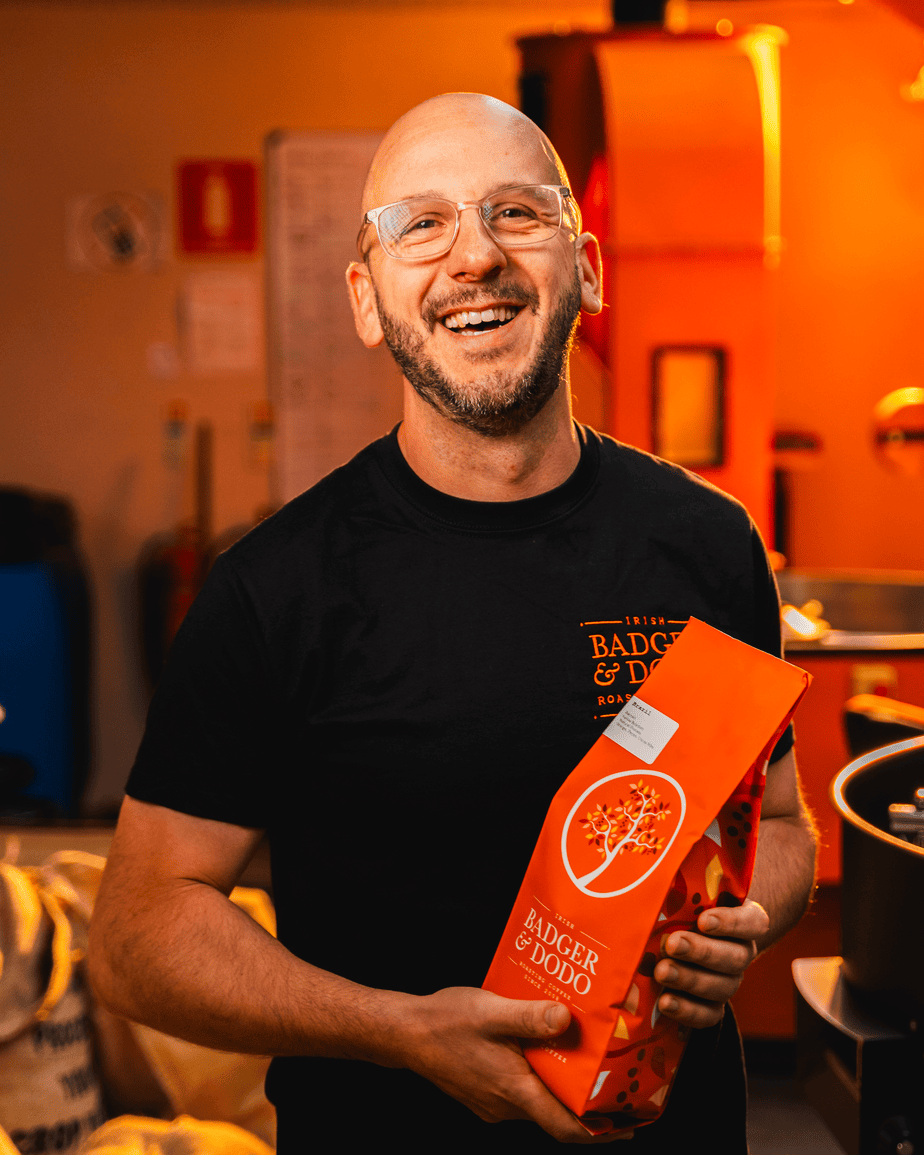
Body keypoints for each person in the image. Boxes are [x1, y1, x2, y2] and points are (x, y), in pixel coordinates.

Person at [88, 93, 816, 1152]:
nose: (473, 256)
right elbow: (136, 936)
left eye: (516, 212)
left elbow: (782, 827)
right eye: (421, 225)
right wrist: (399, 1032)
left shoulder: (708, 544)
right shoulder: (272, 592)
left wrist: (740, 921)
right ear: (367, 299)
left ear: (589, 267)